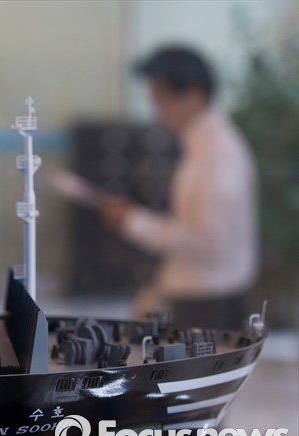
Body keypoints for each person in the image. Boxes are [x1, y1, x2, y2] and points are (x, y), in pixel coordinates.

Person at [100, 46, 259, 329]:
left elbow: (208, 242)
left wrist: (133, 221)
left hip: (208, 304)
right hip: (201, 296)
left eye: (162, 100)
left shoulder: (217, 153)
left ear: (193, 95)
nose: (157, 113)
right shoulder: (203, 146)